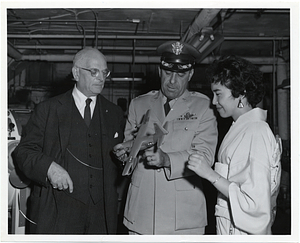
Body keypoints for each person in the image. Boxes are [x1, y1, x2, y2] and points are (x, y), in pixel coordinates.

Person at [13, 47, 125, 234]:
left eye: (105, 72)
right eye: (94, 71)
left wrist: (125, 157)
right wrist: (49, 168)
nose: (101, 78)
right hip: (57, 212)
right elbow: (24, 151)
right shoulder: (48, 110)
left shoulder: (114, 113)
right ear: (76, 73)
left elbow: (117, 160)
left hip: (101, 214)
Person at [113, 41, 218, 234]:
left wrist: (167, 159)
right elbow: (132, 154)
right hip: (142, 211)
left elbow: (205, 156)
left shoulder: (204, 107)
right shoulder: (139, 104)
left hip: (183, 216)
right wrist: (124, 155)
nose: (172, 81)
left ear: (190, 75)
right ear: (160, 71)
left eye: (180, 75)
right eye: (168, 73)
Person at [187, 55, 282, 235]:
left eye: (218, 94)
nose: (213, 102)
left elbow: (254, 204)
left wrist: (208, 173)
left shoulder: (255, 132)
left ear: (240, 93)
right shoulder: (243, 128)